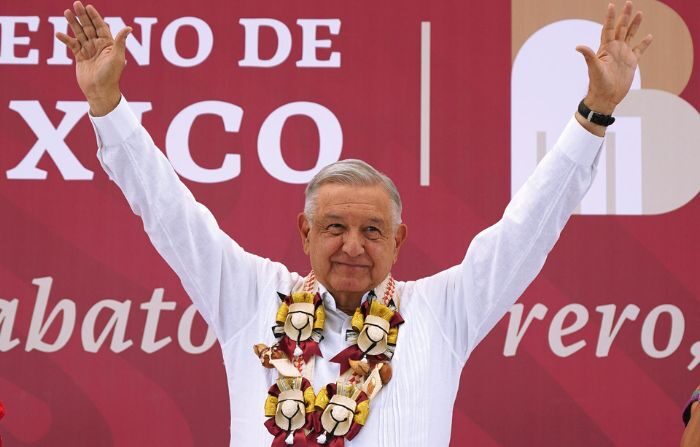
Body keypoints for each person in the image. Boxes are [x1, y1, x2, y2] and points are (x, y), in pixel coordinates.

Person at [57, 1, 652, 445]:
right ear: (304, 233)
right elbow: (167, 211)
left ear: (399, 240)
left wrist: (594, 114)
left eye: (372, 231)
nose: (352, 245)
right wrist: (107, 103)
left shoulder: (443, 311)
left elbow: (529, 228)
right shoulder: (250, 297)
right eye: (334, 226)